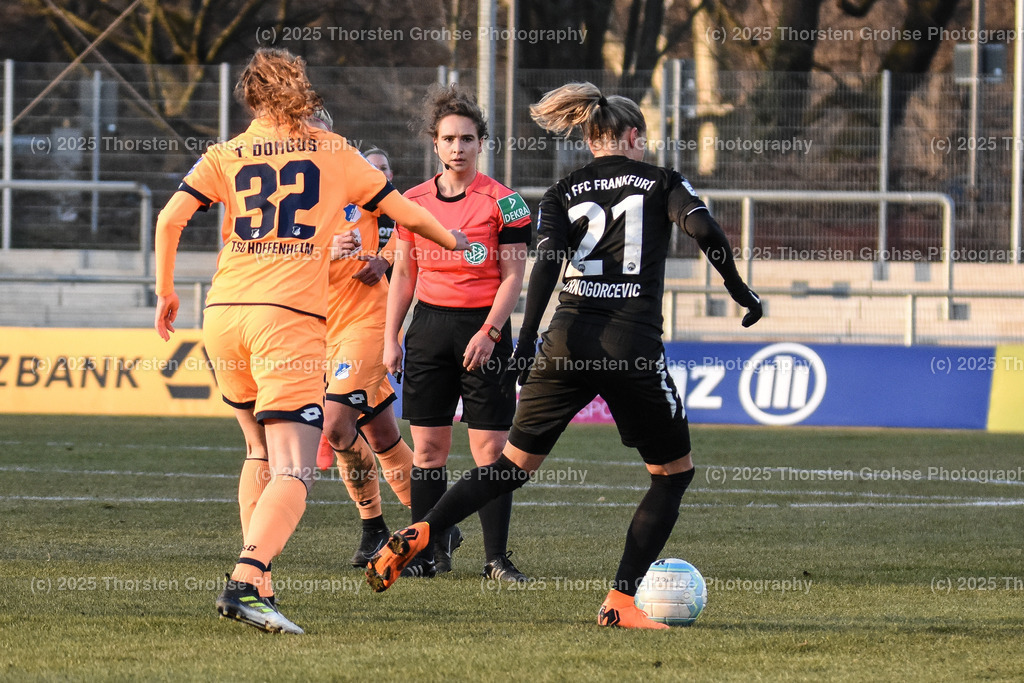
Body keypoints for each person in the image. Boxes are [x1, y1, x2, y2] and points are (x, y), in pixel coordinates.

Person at [366, 82, 763, 629]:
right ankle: (620, 602)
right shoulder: (662, 181)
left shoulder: (562, 191)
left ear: (590, 138)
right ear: (633, 136)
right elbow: (705, 229)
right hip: (630, 346)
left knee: (509, 466)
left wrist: (528, 342)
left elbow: (546, 265)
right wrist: (740, 290)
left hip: (566, 342)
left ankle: (424, 530)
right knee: (672, 475)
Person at [153, 47, 468, 635]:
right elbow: (408, 213)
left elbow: (169, 219)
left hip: (221, 313)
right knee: (296, 469)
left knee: (258, 452)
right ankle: (246, 582)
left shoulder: (227, 152)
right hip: (286, 320)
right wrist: (453, 242)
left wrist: (166, 290)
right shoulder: (332, 150)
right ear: (301, 90)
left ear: (250, 96)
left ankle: (263, 583)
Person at [383, 84, 531, 581]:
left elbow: (514, 277)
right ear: (435, 143)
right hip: (428, 330)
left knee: (491, 451)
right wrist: (391, 337)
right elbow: (404, 274)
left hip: (484, 330)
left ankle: (496, 559)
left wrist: (490, 331)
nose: (458, 147)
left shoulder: (508, 203)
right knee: (428, 451)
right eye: (449, 139)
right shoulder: (410, 201)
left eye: (467, 138)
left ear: (481, 143)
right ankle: (426, 554)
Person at [307, 139, 416, 568]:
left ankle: (374, 529)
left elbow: (413, 223)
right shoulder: (299, 202)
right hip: (325, 332)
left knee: (336, 427)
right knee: (383, 436)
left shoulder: (362, 191)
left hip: (368, 324)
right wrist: (323, 252)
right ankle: (437, 523)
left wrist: (385, 259)